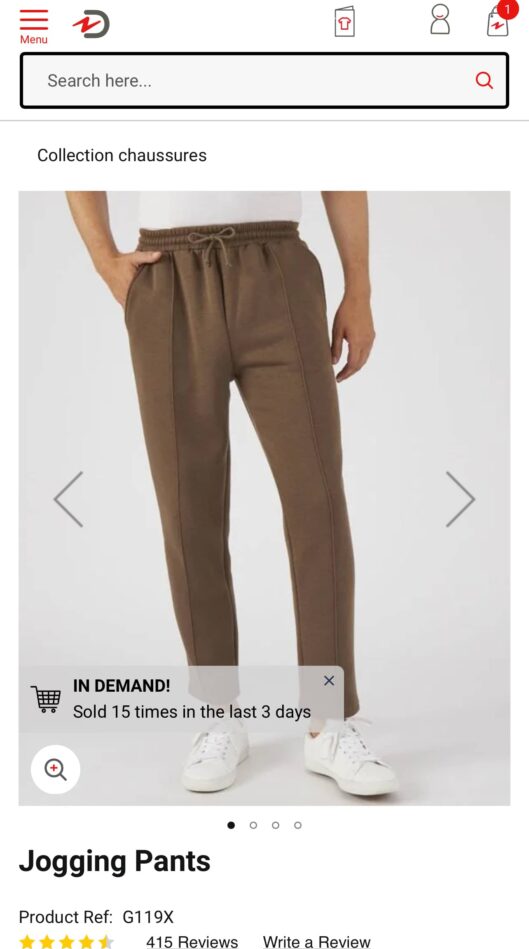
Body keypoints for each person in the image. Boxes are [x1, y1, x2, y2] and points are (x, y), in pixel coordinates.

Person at [66, 191, 398, 798]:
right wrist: (104, 259)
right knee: (187, 509)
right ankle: (219, 715)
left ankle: (327, 722)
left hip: (280, 268)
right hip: (167, 277)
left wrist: (360, 287)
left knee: (318, 504)